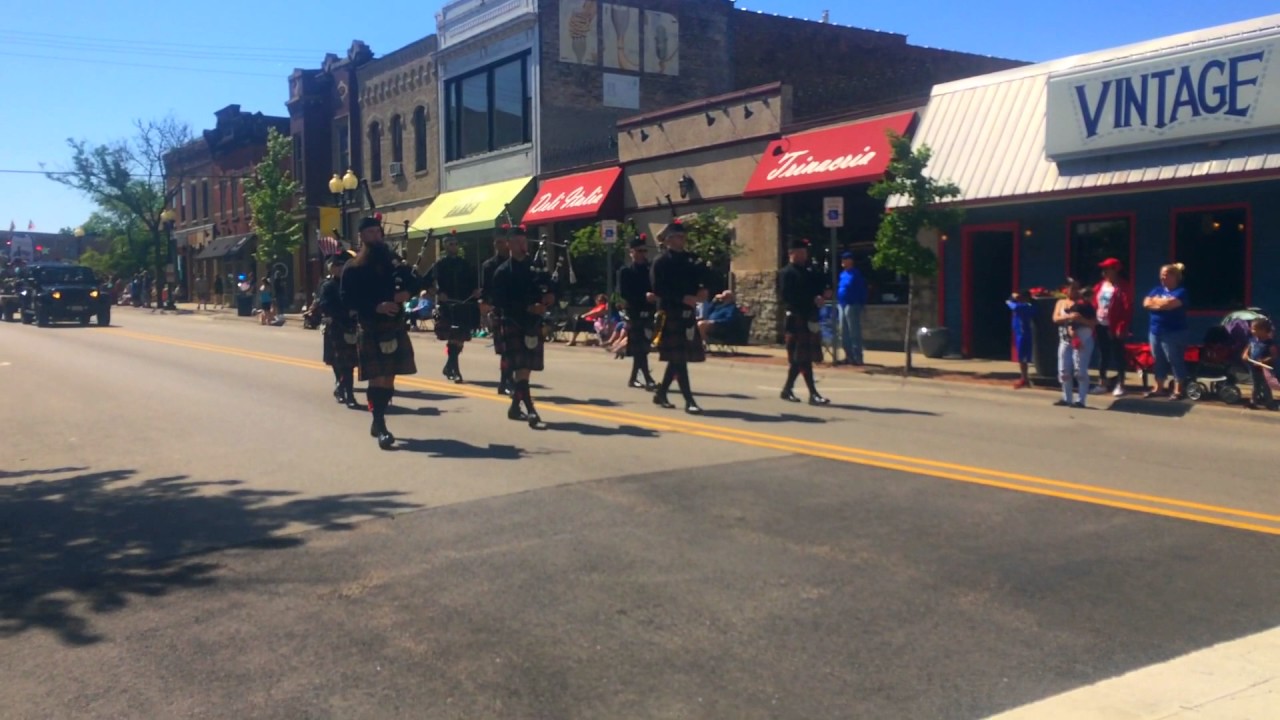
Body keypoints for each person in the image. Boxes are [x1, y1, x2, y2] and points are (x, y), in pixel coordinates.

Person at [340, 216, 418, 449]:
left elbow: (415, 281)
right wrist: (377, 305)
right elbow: (347, 299)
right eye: (371, 232)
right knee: (378, 378)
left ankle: (379, 419)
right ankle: (380, 423)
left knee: (390, 377)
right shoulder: (353, 267)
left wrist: (407, 294)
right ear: (362, 236)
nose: (377, 236)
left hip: (394, 325)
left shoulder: (392, 260)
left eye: (378, 232)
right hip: (371, 325)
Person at [491, 223, 555, 427]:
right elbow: (500, 302)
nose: (522, 244)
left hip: (532, 323)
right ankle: (531, 410)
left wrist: (551, 296)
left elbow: (550, 286)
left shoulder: (537, 267)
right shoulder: (501, 272)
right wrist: (528, 307)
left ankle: (514, 408)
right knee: (522, 368)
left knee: (525, 370)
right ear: (509, 244)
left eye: (524, 240)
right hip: (513, 322)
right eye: (517, 241)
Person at [650, 218, 709, 413]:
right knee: (679, 358)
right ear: (668, 240)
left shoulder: (691, 259)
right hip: (669, 312)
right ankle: (689, 400)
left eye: (682, 236)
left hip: (688, 313)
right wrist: (682, 297)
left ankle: (661, 393)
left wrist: (703, 290)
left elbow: (704, 278)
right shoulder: (661, 262)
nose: (681, 240)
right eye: (676, 237)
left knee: (678, 357)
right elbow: (658, 289)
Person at [778, 238, 831, 405]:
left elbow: (820, 286)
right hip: (795, 317)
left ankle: (787, 390)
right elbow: (787, 297)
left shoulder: (809, 272)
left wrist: (822, 295)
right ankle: (813, 394)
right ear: (791, 253)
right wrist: (811, 299)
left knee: (799, 358)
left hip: (809, 316)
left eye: (804, 252)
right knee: (802, 358)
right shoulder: (786, 273)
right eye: (799, 252)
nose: (803, 255)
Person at [422, 231, 480, 383]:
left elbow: (475, 283)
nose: (453, 246)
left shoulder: (465, 264)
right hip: (447, 305)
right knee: (454, 337)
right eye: (450, 244)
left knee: (459, 340)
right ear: (445, 246)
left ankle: (449, 367)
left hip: (464, 304)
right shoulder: (439, 265)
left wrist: (476, 291)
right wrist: (437, 293)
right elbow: (426, 282)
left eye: (455, 244)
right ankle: (455, 370)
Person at [317, 250, 360, 408]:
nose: (341, 269)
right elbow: (325, 306)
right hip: (336, 326)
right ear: (332, 268)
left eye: (343, 266)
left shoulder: (352, 284)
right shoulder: (328, 286)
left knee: (349, 364)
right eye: (338, 266)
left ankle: (342, 389)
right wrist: (345, 312)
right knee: (340, 363)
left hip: (352, 327)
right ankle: (347, 393)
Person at [1141, 263, 1189, 400]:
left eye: (1167, 274)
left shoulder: (1181, 292)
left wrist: (1156, 303)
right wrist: (1161, 303)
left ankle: (1178, 390)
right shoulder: (1156, 289)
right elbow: (1145, 303)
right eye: (1162, 274)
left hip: (1174, 332)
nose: (1163, 277)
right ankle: (1159, 388)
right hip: (1155, 331)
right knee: (1158, 359)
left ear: (1175, 276)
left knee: (1175, 359)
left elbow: (1170, 305)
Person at [617, 234, 657, 390]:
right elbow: (624, 293)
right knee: (640, 346)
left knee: (643, 346)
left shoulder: (650, 269)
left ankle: (633, 378)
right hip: (634, 311)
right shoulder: (626, 271)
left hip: (649, 311)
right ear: (631, 252)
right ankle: (648, 378)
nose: (642, 254)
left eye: (644, 251)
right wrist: (643, 296)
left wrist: (655, 295)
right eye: (639, 251)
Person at [1052, 277, 1097, 408]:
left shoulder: (1085, 304)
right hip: (1065, 340)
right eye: (1072, 288)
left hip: (1082, 340)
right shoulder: (1061, 303)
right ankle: (1067, 397)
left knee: (1080, 371)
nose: (1074, 291)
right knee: (1064, 370)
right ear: (1066, 289)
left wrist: (1081, 319)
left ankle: (1081, 400)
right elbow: (1055, 318)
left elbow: (1094, 323)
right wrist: (1068, 317)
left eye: (1077, 288)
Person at [481, 227, 514, 396]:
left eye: (501, 242)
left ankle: (507, 381)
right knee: (506, 350)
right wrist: (485, 307)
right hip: (499, 310)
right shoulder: (489, 266)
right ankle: (505, 381)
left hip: (517, 310)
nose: (497, 245)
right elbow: (486, 290)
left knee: (515, 350)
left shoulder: (519, 263)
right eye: (496, 242)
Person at [1093, 257, 1133, 397]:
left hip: (1115, 326)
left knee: (1118, 355)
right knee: (1103, 354)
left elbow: (1127, 308)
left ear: (1115, 270)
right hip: (1100, 324)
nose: (1104, 271)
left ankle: (1121, 384)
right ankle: (1102, 382)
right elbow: (1094, 303)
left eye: (1107, 269)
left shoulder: (1123, 286)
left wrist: (1121, 326)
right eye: (1103, 269)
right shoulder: (1100, 286)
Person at [836, 251, 867, 365]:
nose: (843, 261)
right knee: (843, 332)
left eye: (845, 259)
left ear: (851, 261)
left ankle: (857, 357)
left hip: (852, 304)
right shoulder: (842, 274)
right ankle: (848, 356)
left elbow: (862, 289)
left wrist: (860, 303)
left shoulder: (856, 274)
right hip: (842, 304)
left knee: (854, 332)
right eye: (842, 259)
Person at [1243, 318, 1278, 411]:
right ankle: (1253, 402)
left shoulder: (1269, 342)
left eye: (1254, 329)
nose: (1252, 331)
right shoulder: (1253, 340)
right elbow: (1248, 348)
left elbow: (1274, 355)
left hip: (1264, 369)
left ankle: (1270, 403)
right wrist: (1245, 355)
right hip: (1253, 367)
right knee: (1255, 384)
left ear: (1263, 330)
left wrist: (1263, 361)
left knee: (1265, 385)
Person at [1006, 289, 1035, 388]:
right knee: (1023, 359)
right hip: (1020, 333)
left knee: (1022, 358)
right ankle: (1024, 378)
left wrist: (1011, 298)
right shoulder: (1029, 306)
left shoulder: (1024, 306)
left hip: (1023, 334)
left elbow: (1011, 304)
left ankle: (1024, 378)